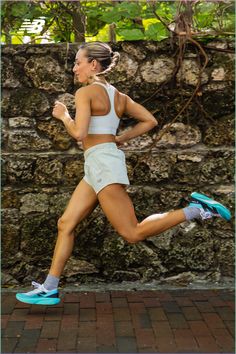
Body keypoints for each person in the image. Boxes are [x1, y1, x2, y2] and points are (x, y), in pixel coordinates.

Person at [16, 41, 231, 305]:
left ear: (93, 64)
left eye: (78, 63)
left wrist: (64, 116)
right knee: (66, 223)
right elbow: (150, 120)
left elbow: (79, 134)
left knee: (132, 233)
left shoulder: (85, 93)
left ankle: (196, 210)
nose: (74, 69)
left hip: (103, 165)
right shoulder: (117, 95)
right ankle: (49, 287)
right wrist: (121, 138)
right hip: (98, 163)